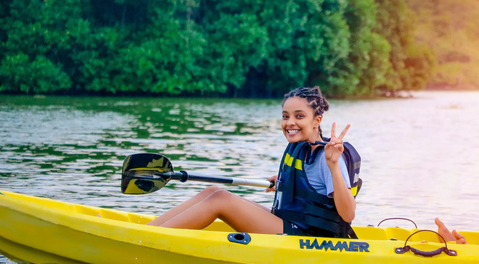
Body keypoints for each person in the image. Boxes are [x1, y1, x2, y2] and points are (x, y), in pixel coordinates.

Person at [146, 86, 357, 238]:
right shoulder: (300, 147)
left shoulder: (328, 157)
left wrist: (333, 166)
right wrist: (286, 184)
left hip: (311, 238)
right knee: (210, 192)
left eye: (299, 116)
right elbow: (312, 190)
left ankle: (147, 241)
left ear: (316, 121)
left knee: (220, 199)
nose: (290, 123)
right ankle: (147, 232)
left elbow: (348, 214)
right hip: (294, 224)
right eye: (285, 116)